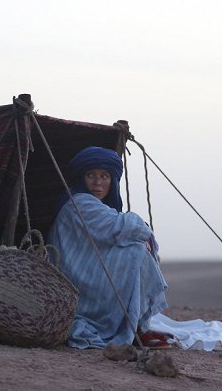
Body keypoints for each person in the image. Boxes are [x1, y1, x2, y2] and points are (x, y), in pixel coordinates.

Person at [48, 146, 169, 349]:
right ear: (81, 178)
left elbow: (117, 232)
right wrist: (144, 234)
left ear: (112, 180)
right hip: (74, 280)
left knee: (137, 248)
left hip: (88, 270)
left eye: (104, 176)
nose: (98, 183)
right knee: (137, 253)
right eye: (91, 175)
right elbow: (120, 227)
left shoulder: (96, 205)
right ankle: (136, 327)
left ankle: (137, 325)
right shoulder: (80, 203)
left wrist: (141, 237)